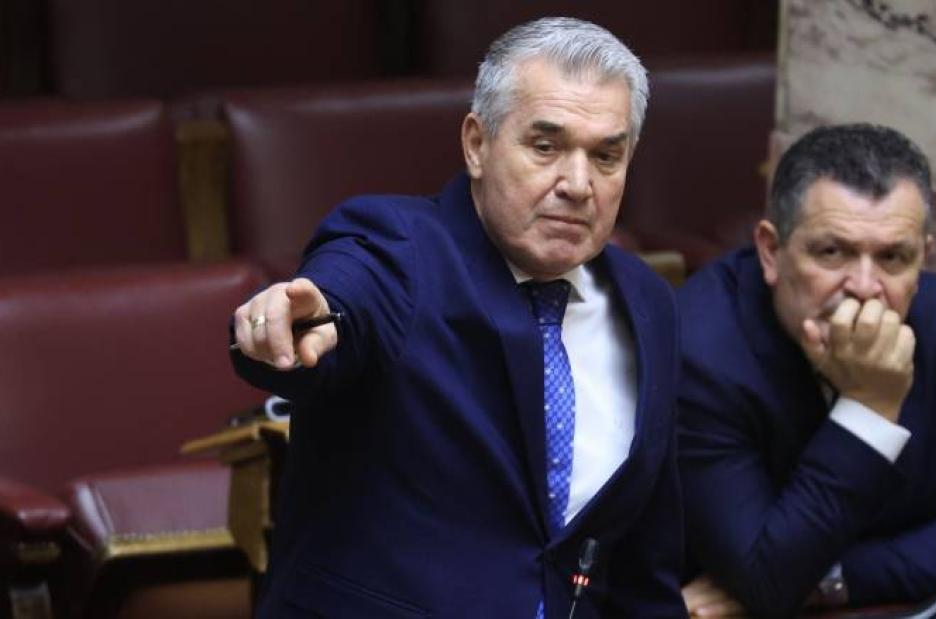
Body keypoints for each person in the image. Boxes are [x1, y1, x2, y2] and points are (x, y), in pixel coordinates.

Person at [230, 17, 686, 618]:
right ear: (477, 144)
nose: (578, 184)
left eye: (606, 156)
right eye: (545, 147)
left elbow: (642, 562)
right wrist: (303, 319)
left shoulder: (647, 303)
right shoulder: (398, 249)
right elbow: (346, 296)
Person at [677, 123, 936, 617]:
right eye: (833, 252)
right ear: (771, 251)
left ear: (924, 259)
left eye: (893, 258)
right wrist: (869, 407)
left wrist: (829, 578)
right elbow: (766, 578)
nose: (864, 287)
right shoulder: (701, 349)